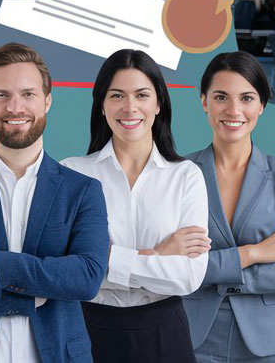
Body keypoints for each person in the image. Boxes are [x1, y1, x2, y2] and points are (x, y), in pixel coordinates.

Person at [61, 48, 208, 363]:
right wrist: (156, 255)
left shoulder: (185, 176)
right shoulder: (72, 173)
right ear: (102, 105)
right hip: (87, 327)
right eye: (117, 96)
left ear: (158, 104)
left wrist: (103, 259)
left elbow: (188, 277)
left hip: (163, 330)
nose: (130, 108)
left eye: (142, 95)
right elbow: (67, 270)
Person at [0, 43, 109, 363]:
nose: (15, 107)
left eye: (28, 94)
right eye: (2, 95)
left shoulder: (83, 191)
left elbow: (86, 278)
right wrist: (39, 293)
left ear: (47, 101)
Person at [182, 51, 275, 362]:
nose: (234, 110)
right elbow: (177, 266)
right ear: (204, 101)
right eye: (221, 97)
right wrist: (254, 253)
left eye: (247, 98)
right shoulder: (180, 173)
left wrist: (215, 272)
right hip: (194, 337)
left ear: (262, 105)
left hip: (269, 341)